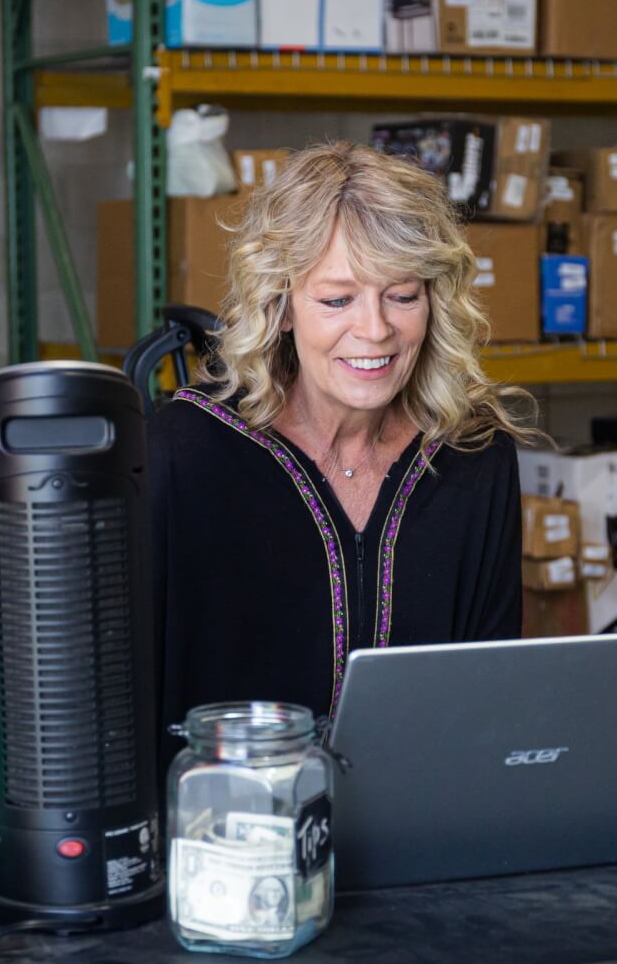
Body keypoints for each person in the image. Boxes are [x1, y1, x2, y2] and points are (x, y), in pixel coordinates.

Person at [149, 142, 540, 734]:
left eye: (402, 295)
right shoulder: (186, 449)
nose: (375, 330)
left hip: (425, 814)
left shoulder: (473, 455)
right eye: (337, 300)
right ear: (281, 306)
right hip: (232, 812)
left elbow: (491, 696)